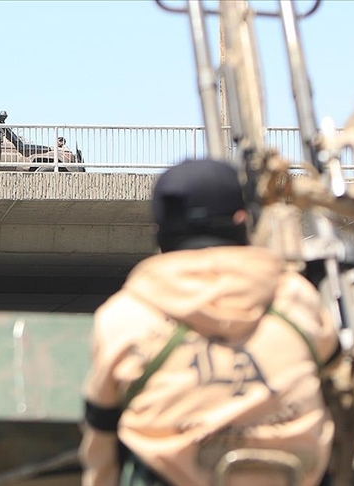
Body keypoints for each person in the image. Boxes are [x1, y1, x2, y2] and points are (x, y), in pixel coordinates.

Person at [79, 158, 340, 486]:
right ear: (242, 221)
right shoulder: (296, 298)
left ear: (160, 233)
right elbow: (338, 379)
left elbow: (101, 437)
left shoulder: (124, 316)